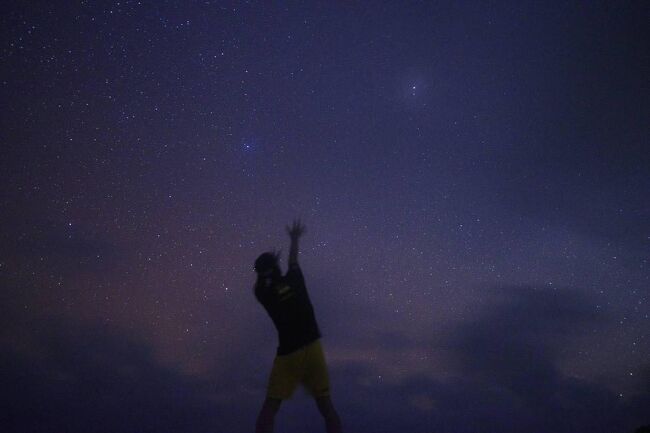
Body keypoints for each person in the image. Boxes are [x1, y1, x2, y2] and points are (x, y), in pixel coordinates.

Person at [253, 219, 342, 433]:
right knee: (327, 408)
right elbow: (293, 259)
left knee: (270, 408)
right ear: (276, 267)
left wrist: (264, 275)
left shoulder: (263, 294)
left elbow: (259, 285)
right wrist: (294, 238)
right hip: (312, 347)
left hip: (288, 354)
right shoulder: (294, 278)